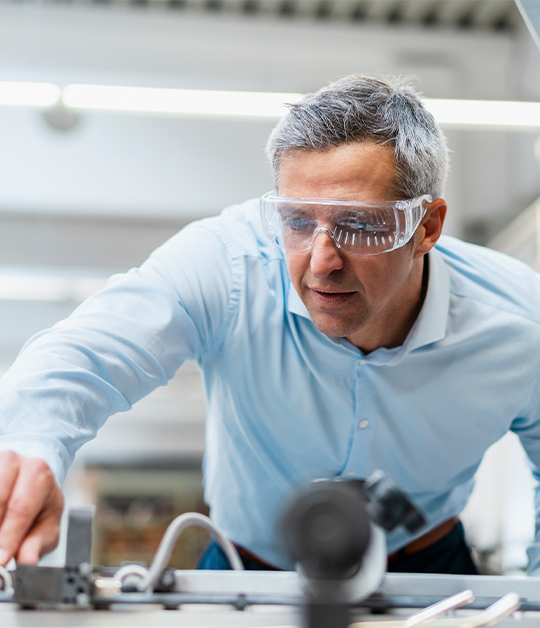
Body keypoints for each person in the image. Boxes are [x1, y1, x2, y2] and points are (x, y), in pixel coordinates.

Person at [0, 75, 539, 575]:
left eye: (358, 224)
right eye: (297, 220)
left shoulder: (519, 326)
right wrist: (32, 444)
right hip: (249, 564)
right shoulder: (226, 265)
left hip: (423, 564)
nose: (322, 260)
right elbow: (87, 354)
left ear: (427, 226)